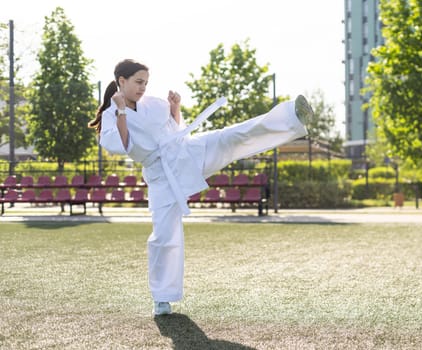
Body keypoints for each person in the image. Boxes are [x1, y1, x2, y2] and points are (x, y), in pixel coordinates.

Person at [88, 59, 312, 316]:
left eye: (146, 83)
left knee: (231, 136)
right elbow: (128, 146)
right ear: (121, 81)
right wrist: (121, 112)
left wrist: (175, 109)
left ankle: (292, 118)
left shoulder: (154, 104)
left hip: (186, 153)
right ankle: (162, 298)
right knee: (164, 237)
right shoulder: (109, 116)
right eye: (139, 82)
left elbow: (176, 130)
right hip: (161, 176)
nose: (143, 88)